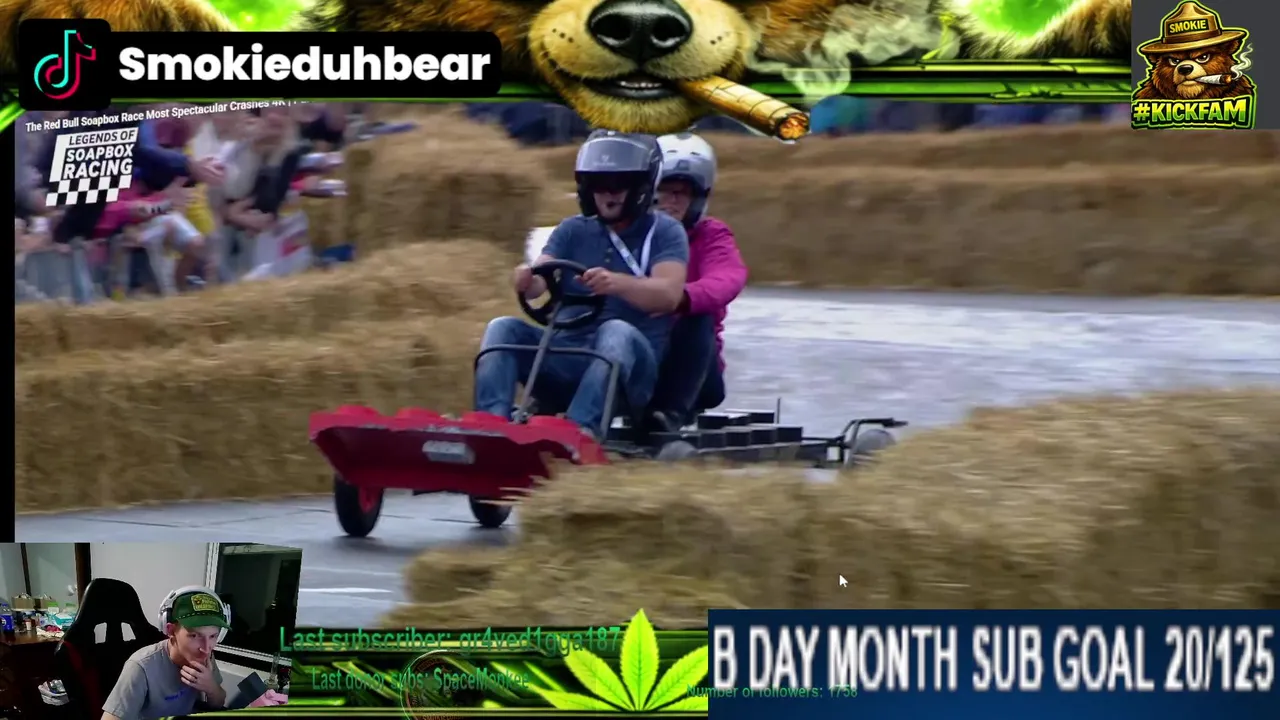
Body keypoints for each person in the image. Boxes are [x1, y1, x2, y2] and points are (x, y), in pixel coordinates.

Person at [474, 131, 689, 439]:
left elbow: (669, 295)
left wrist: (616, 284)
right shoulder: (572, 229)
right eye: (599, 185)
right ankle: (490, 425)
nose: (608, 194)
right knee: (502, 328)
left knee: (615, 331)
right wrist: (525, 279)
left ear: (640, 187)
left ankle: (579, 430)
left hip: (631, 372)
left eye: (619, 184)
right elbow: (540, 279)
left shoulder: (666, 232)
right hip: (564, 356)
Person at [648, 133, 748, 429]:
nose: (672, 200)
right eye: (664, 190)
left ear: (697, 197)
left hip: (696, 367)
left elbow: (728, 276)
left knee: (698, 316)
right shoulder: (631, 231)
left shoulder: (712, 234)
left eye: (681, 193)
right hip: (637, 347)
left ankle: (670, 416)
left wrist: (680, 298)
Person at [101, 588, 230, 720]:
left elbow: (219, 703)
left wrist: (211, 687)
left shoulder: (205, 656)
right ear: (171, 631)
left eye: (213, 636)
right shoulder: (141, 667)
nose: (206, 648)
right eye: (194, 636)